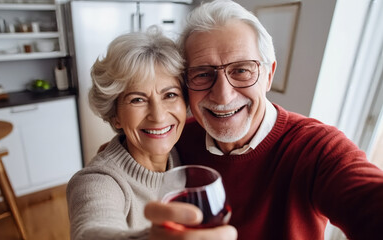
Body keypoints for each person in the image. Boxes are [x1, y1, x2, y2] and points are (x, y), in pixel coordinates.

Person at [144, 0, 383, 239]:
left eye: (241, 70)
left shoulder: (317, 147)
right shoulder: (176, 136)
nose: (223, 95)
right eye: (203, 74)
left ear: (268, 75)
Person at [66, 26, 187, 240]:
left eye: (170, 94)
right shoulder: (98, 181)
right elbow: (90, 231)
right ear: (115, 116)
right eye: (137, 99)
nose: (158, 116)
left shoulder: (189, 148)